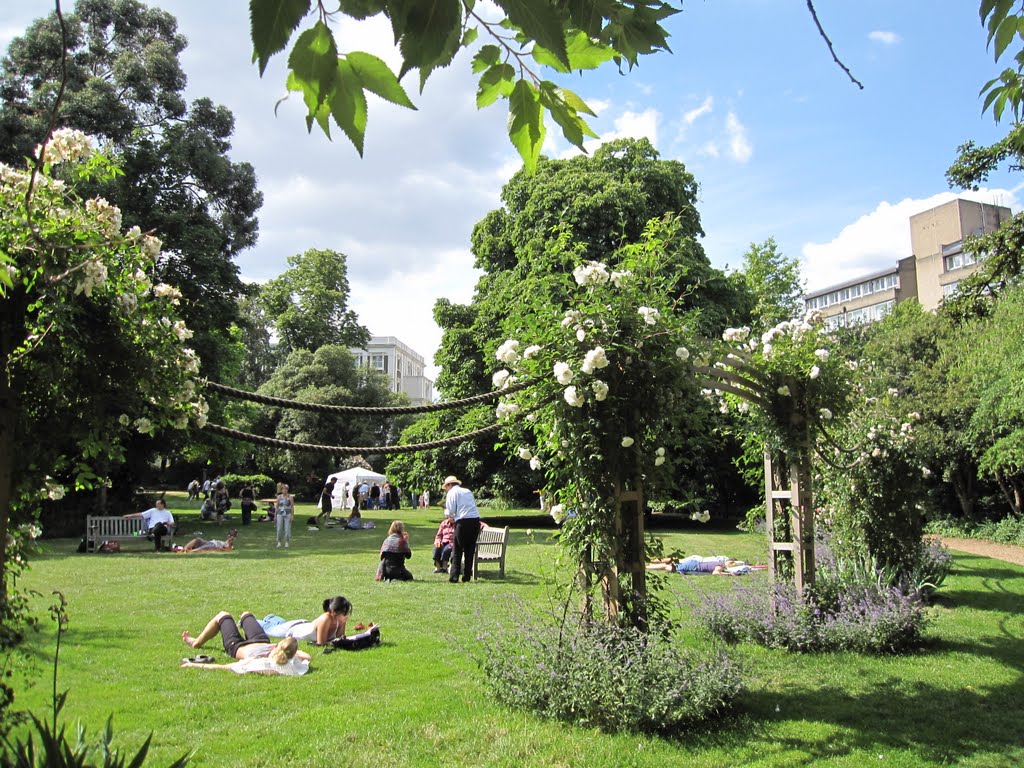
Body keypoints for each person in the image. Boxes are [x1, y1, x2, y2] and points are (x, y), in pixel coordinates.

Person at [180, 611, 310, 675]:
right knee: (246, 614)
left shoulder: (264, 663)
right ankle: (241, 621)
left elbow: (225, 667)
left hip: (237, 646)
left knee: (223, 615)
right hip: (260, 640)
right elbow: (307, 657)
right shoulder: (292, 662)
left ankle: (196, 642)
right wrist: (295, 654)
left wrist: (193, 665)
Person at [258, 596, 353, 645]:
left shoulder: (338, 619)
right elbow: (321, 643)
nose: (344, 615)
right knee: (269, 630)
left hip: (301, 624)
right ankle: (249, 619)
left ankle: (270, 618)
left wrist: (343, 623)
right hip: (292, 630)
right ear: (334, 611)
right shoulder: (326, 618)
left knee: (281, 625)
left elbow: (339, 638)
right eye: (342, 612)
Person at [443, 476, 481, 583]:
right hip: (475, 521)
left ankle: (454, 576)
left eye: (446, 487)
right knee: (470, 549)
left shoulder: (452, 493)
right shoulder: (467, 491)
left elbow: (451, 510)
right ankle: (467, 576)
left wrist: (446, 513)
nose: (445, 490)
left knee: (457, 549)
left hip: (462, 522)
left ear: (449, 485)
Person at [646, 555, 763, 575]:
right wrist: (729, 574)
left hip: (695, 560)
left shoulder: (721, 561)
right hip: (694, 565)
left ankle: (649, 561)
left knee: (673, 560)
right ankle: (646, 566)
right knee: (668, 566)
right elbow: (716, 573)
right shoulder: (720, 565)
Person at [276, 483, 295, 548]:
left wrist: (292, 516)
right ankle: (279, 542)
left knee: (287, 529)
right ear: (281, 490)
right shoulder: (279, 497)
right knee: (279, 529)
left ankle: (287, 542)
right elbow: (277, 507)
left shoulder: (290, 497)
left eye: (286, 489)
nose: (285, 490)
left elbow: (292, 506)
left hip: (288, 514)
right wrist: (275, 516)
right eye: (283, 489)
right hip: (280, 514)